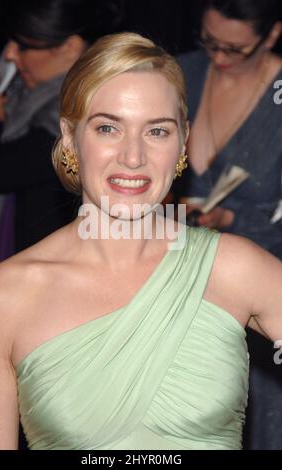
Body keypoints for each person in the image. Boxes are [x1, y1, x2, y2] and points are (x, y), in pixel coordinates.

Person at [0, 31, 281, 451]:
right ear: (69, 137)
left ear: (182, 140)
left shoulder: (232, 268)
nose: (133, 157)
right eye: (108, 128)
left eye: (157, 132)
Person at [173, 0, 282, 449]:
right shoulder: (181, 73)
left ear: (271, 35)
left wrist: (237, 217)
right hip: (183, 286)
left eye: (235, 49)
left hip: (264, 292)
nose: (218, 57)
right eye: (210, 41)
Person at [0, 0, 123, 270]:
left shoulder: (84, 107)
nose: (10, 54)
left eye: (24, 45)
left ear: (70, 48)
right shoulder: (20, 92)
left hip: (54, 272)